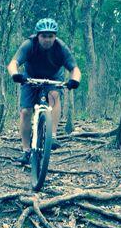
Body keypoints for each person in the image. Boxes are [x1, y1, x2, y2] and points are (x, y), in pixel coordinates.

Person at [6, 18, 82, 164]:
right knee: (26, 112)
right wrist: (15, 74)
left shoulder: (61, 47)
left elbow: (75, 69)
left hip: (53, 77)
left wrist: (75, 80)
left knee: (54, 95)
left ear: (55, 36)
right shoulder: (29, 44)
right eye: (44, 36)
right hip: (30, 77)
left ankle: (52, 136)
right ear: (38, 36)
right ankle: (26, 151)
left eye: (51, 36)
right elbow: (13, 63)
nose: (47, 39)